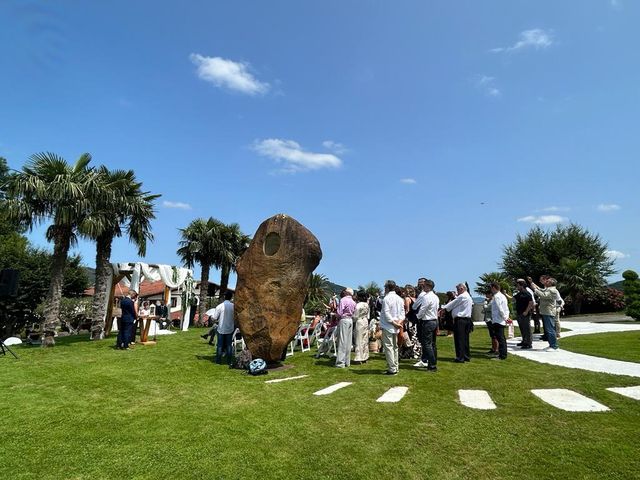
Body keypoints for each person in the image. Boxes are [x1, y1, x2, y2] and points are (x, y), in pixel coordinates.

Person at [442, 283, 473, 363]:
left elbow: (451, 304)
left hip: (460, 320)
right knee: (465, 339)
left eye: (458, 290)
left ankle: (460, 357)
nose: (457, 291)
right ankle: (466, 356)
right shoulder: (468, 296)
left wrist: (443, 308)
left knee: (459, 339)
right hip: (467, 319)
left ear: (462, 289)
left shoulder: (462, 296)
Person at [413, 278, 439, 371]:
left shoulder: (426, 297)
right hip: (434, 320)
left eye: (424, 286)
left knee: (427, 344)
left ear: (428, 287)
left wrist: (417, 316)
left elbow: (422, 310)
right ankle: (433, 361)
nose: (422, 287)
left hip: (427, 321)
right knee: (432, 344)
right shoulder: (435, 296)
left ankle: (432, 365)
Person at [379, 280, 405, 375]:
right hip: (396, 324)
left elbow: (387, 313)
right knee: (395, 347)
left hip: (389, 325)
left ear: (387, 288)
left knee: (389, 347)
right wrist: (399, 321)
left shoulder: (387, 298)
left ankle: (392, 368)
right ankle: (395, 366)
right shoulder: (399, 299)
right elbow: (403, 313)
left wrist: (394, 323)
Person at [528, 276, 560, 350]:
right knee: (548, 329)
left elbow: (543, 295)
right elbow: (541, 290)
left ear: (552, 283)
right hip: (546, 311)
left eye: (548, 281)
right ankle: (551, 344)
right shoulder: (548, 289)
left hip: (549, 311)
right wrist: (532, 283)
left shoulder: (553, 290)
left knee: (550, 329)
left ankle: (554, 346)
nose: (546, 282)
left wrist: (534, 289)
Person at [210, 291, 236, 364]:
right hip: (230, 328)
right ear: (231, 297)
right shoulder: (233, 306)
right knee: (229, 345)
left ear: (224, 297)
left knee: (220, 345)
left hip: (221, 328)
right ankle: (229, 361)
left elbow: (214, 318)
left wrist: (211, 317)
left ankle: (218, 361)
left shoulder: (219, 306)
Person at [335, 288, 356, 368]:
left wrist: (335, 315)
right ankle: (347, 361)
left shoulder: (343, 300)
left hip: (344, 320)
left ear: (346, 292)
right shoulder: (353, 302)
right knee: (348, 341)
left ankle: (340, 362)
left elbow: (339, 312)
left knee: (342, 341)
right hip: (350, 320)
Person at [489, 283, 509, 360]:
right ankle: (501, 353)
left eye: (491, 288)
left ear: (494, 288)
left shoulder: (497, 296)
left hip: (498, 320)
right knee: (501, 338)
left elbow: (500, 308)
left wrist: (504, 317)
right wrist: (506, 317)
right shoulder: (502, 296)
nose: (490, 290)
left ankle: (502, 355)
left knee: (500, 338)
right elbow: (506, 308)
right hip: (500, 319)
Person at [514, 279, 534, 349]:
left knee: (526, 328)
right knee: (522, 328)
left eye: (518, 285)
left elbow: (531, 303)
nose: (517, 287)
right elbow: (512, 299)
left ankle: (528, 343)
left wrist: (526, 311)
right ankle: (524, 341)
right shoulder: (519, 294)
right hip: (519, 313)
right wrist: (504, 294)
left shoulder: (527, 293)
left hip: (525, 314)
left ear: (521, 285)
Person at [352, 290, 370, 364]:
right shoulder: (366, 304)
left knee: (358, 339)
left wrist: (353, 319)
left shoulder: (358, 305)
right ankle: (365, 356)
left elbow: (355, 315)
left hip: (359, 321)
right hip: (365, 321)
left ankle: (358, 358)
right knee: (365, 339)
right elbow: (368, 315)